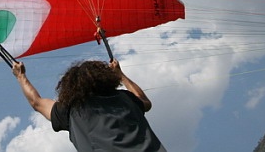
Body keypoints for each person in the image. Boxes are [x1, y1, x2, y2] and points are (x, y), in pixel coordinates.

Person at [12, 59, 167, 152]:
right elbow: (144, 101)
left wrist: (21, 76)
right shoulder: (126, 98)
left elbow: (37, 102)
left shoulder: (72, 109)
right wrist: (121, 75)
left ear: (71, 85)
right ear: (106, 78)